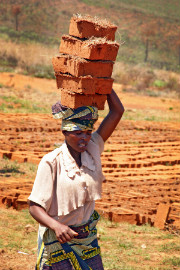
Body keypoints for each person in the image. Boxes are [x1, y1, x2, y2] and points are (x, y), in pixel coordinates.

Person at [28, 89, 124, 270]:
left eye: (88, 133)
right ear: (65, 131)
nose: (85, 138)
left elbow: (117, 112)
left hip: (87, 240)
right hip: (59, 241)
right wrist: (56, 226)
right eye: (78, 133)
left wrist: (103, 83)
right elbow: (34, 207)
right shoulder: (51, 161)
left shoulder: (92, 149)